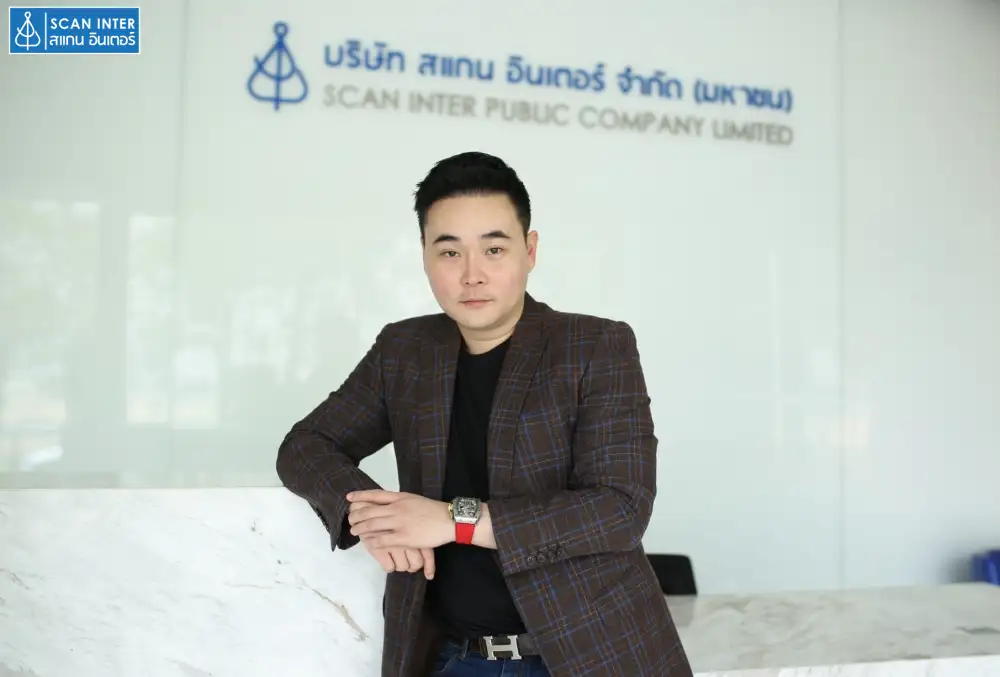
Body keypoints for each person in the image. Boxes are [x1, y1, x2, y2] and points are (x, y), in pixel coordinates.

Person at [276, 152, 693, 677]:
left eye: (494, 249)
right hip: (451, 657)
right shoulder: (404, 350)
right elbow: (305, 446)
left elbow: (620, 509)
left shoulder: (594, 346)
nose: (472, 275)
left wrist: (454, 520)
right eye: (450, 252)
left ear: (530, 251)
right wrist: (378, 520)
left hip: (587, 656)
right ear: (424, 255)